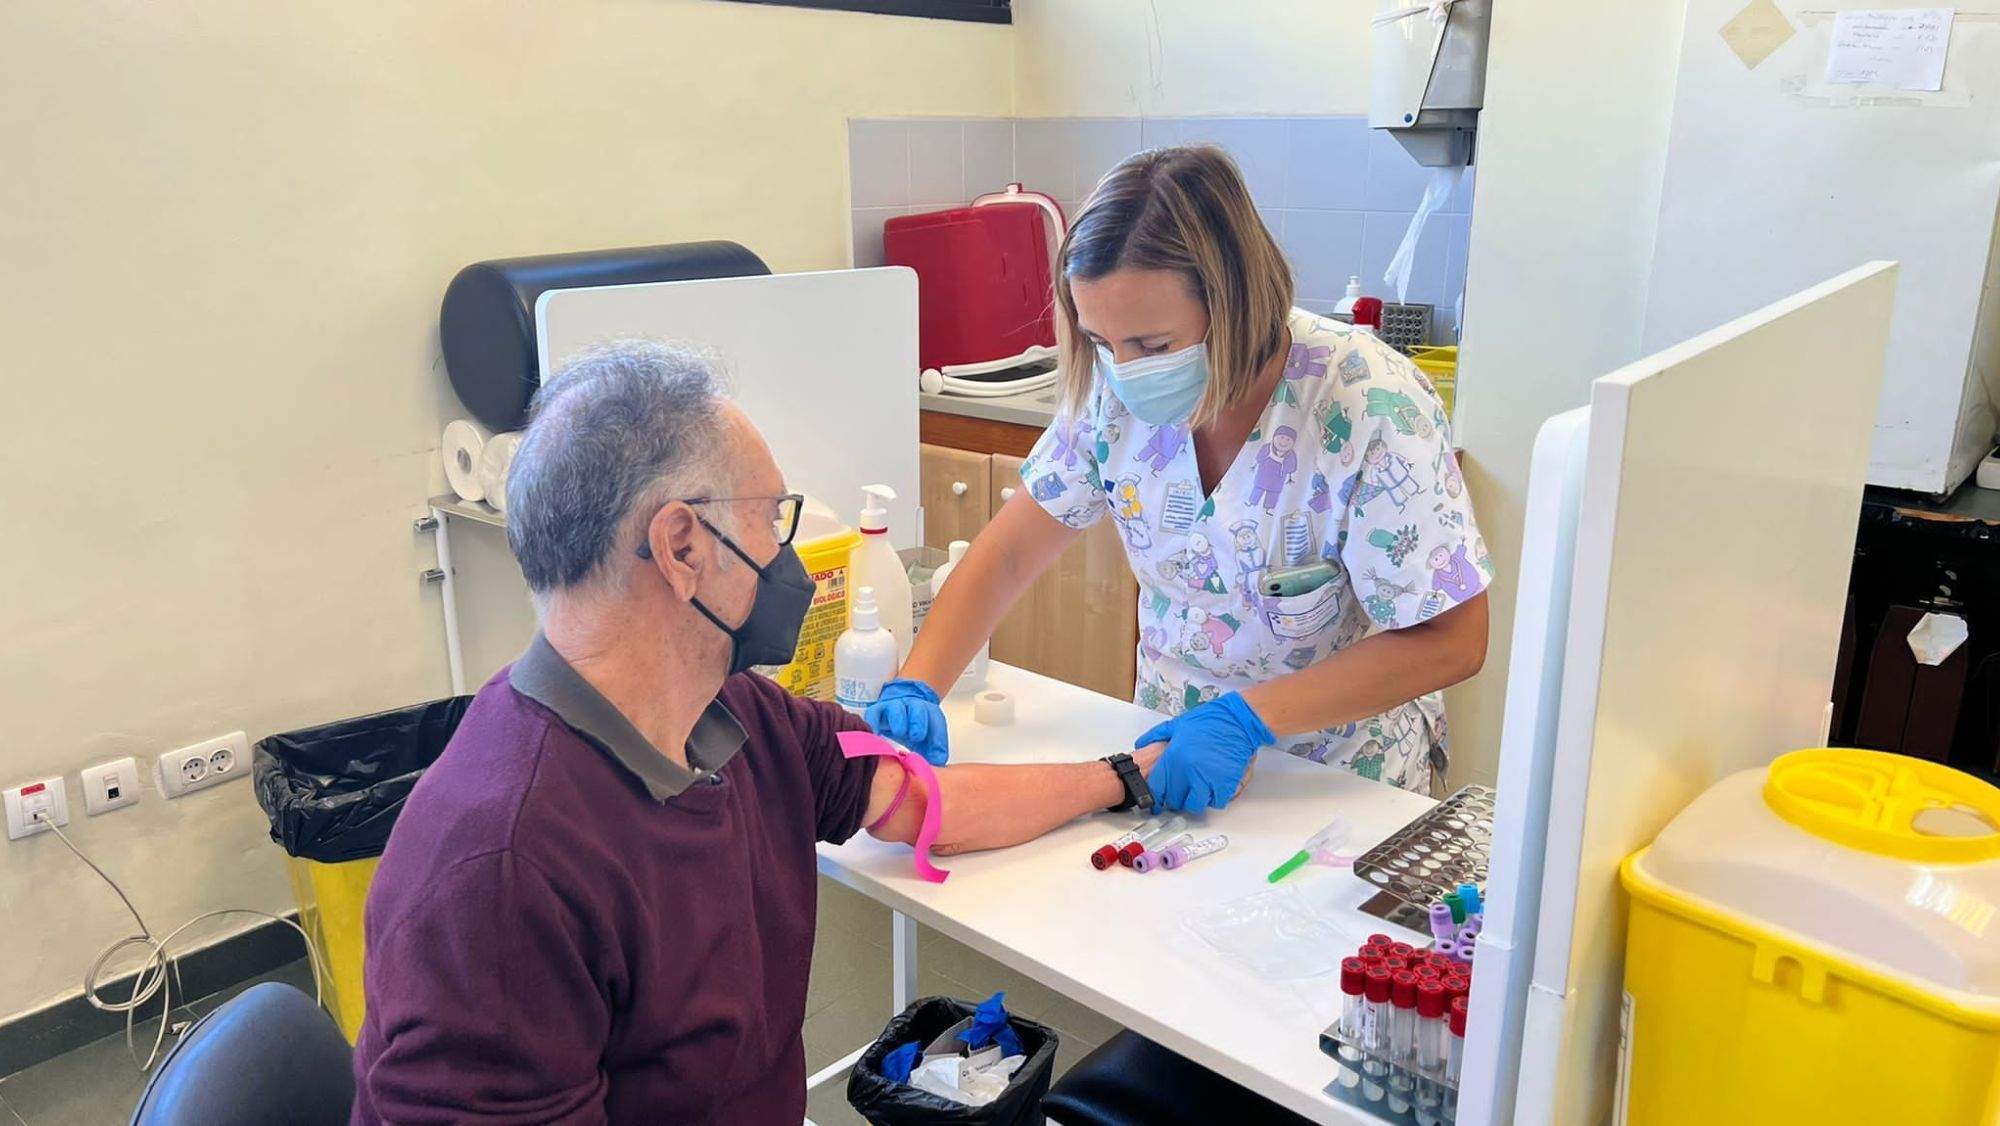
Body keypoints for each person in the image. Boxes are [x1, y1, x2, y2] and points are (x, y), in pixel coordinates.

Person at [350, 340, 1172, 1124]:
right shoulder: (500, 876)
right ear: (681, 546)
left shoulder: (733, 717)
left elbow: (924, 804)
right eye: (772, 519)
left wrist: (1124, 773)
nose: (788, 554)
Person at [872, 145, 1491, 806]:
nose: (1126, 368)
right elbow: (1010, 553)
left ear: (1236, 304)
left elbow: (1453, 640)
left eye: (1153, 345)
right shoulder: (1110, 394)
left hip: (1337, 778)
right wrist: (920, 682)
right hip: (1167, 752)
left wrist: (1248, 719)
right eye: (1102, 342)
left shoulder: (1370, 404)